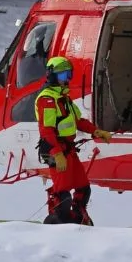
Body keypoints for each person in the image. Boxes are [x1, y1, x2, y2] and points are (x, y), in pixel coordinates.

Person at [36, 55, 110, 225]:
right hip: (55, 149)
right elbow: (46, 130)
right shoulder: (47, 100)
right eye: (63, 75)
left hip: (68, 149)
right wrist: (57, 154)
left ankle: (77, 219)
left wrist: (96, 131)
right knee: (63, 194)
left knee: (83, 188)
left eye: (69, 74)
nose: (67, 79)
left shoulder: (64, 98)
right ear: (52, 75)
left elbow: (77, 121)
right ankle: (58, 222)